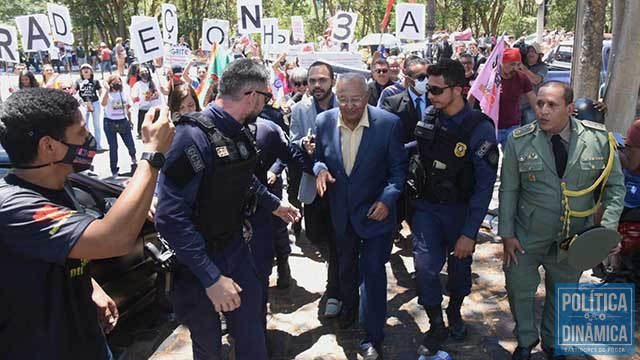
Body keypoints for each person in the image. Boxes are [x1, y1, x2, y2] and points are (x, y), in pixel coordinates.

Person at [0, 87, 175, 359]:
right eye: (81, 132)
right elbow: (113, 239)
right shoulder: (15, 207)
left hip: (85, 339)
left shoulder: (60, 183)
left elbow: (56, 251)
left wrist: (89, 286)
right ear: (49, 146)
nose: (90, 139)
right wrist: (151, 156)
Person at [154, 59, 300, 360]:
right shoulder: (191, 137)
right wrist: (210, 277)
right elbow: (170, 218)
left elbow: (244, 180)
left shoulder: (240, 131)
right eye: (266, 97)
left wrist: (275, 205)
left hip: (236, 250)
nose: (266, 103)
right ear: (252, 95)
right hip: (197, 262)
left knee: (251, 336)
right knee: (209, 347)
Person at [499, 81, 625, 360]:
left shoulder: (599, 139)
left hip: (574, 234)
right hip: (527, 233)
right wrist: (506, 233)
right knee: (519, 287)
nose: (542, 110)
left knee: (564, 289)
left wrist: (607, 230)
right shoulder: (519, 140)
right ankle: (525, 342)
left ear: (569, 109)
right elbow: (508, 189)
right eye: (540, 103)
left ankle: (554, 342)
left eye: (551, 105)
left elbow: (615, 187)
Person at [406, 59, 498, 356]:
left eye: (435, 89)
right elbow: (417, 150)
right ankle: (435, 321)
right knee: (424, 268)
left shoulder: (479, 128)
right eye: (427, 88)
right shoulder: (430, 116)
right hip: (427, 209)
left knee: (459, 270)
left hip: (461, 212)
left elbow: (484, 186)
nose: (429, 95)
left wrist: (470, 233)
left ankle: (455, 311)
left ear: (458, 90)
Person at [314, 73, 408, 360]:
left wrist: (387, 200)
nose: (349, 106)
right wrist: (320, 170)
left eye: (355, 100)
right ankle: (349, 310)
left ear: (367, 97)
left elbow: (398, 171)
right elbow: (319, 156)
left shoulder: (388, 124)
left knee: (373, 273)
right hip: (341, 214)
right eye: (343, 100)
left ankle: (372, 336)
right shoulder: (324, 121)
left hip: (376, 215)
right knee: (345, 268)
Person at [290, 61, 341, 317]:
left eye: (322, 80)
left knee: (336, 238)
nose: (316, 85)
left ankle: (334, 289)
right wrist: (304, 145)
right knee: (316, 235)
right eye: (312, 81)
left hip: (340, 187)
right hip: (312, 186)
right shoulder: (299, 109)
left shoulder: (345, 105)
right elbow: (292, 141)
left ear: (332, 80)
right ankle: (337, 265)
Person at [101, 74, 136, 176]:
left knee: (130, 143)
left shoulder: (123, 93)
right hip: (110, 122)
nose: (118, 83)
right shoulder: (107, 94)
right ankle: (114, 168)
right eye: (115, 81)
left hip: (122, 121)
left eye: (119, 81)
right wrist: (107, 90)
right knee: (113, 146)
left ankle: (133, 158)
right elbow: (103, 104)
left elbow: (128, 107)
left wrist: (130, 120)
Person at [76, 64, 105, 152]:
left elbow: (100, 91)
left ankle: (98, 145)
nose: (85, 70)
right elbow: (74, 92)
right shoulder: (78, 81)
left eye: (87, 68)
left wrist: (104, 100)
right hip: (84, 104)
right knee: (85, 125)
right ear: (81, 72)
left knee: (96, 124)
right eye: (83, 69)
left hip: (94, 102)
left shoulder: (95, 81)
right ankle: (87, 144)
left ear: (91, 71)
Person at [520, 43, 548, 125]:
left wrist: (523, 68)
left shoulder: (543, 67)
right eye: (528, 52)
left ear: (539, 55)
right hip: (518, 105)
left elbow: (536, 80)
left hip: (532, 105)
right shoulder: (520, 66)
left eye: (533, 52)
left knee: (530, 124)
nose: (530, 54)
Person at [131, 65, 162, 138]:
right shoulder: (137, 84)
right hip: (143, 108)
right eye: (142, 72)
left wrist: (154, 95)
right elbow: (133, 97)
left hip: (155, 108)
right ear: (139, 74)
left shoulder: (154, 82)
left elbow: (159, 93)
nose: (145, 73)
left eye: (146, 71)